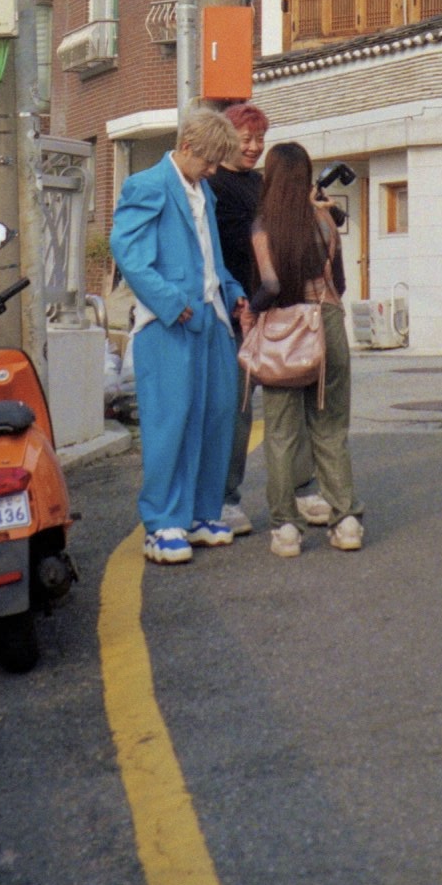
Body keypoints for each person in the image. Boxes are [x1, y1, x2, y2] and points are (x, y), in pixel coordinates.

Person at [110, 105, 251, 564]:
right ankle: (163, 523)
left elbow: (213, 258)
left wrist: (232, 293)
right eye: (208, 161)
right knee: (170, 422)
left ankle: (201, 514)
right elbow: (129, 256)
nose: (213, 171)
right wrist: (173, 302)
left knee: (216, 415)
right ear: (186, 147)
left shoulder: (201, 190)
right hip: (168, 324)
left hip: (210, 319)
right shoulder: (146, 185)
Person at [211, 102, 330, 535]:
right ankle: (225, 500)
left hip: (275, 310)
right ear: (225, 139)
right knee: (237, 411)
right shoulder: (211, 186)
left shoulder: (263, 184)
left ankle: (302, 489)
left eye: (260, 139)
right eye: (246, 139)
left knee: (291, 403)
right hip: (235, 312)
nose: (254, 147)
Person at [249, 141, 363, 556]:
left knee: (280, 433)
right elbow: (342, 284)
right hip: (327, 324)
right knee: (330, 427)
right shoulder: (325, 221)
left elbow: (271, 285)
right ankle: (346, 520)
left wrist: (251, 311)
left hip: (285, 330)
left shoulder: (264, 224)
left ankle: (286, 530)